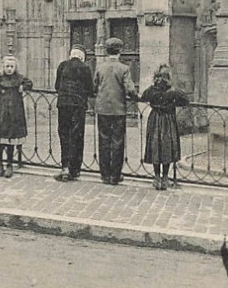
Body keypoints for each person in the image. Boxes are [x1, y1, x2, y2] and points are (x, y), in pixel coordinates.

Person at [93, 37, 138, 186]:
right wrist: (136, 97)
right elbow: (129, 88)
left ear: (106, 51)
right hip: (118, 110)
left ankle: (105, 175)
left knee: (103, 141)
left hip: (102, 108)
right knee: (117, 141)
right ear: (119, 51)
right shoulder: (124, 68)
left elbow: (95, 86)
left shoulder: (100, 67)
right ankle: (115, 175)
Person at [139, 64, 189, 190]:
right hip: (168, 120)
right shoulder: (173, 91)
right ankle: (165, 178)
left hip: (155, 119)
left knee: (155, 146)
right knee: (166, 147)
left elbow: (143, 97)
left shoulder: (151, 90)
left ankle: (156, 177)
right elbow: (185, 100)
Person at [54, 45, 94, 182]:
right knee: (76, 136)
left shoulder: (62, 66)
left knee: (64, 135)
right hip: (78, 106)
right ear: (82, 57)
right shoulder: (85, 68)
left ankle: (64, 168)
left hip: (63, 104)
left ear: (71, 55)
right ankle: (75, 169)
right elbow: (90, 89)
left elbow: (56, 86)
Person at [0, 56, 33, 178]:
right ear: (3, 67)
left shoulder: (19, 78)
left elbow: (29, 83)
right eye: (7, 66)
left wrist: (23, 87)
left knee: (11, 141)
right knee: (0, 140)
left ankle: (9, 164)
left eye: (12, 66)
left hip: (14, 114)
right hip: (1, 113)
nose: (9, 69)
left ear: (15, 67)